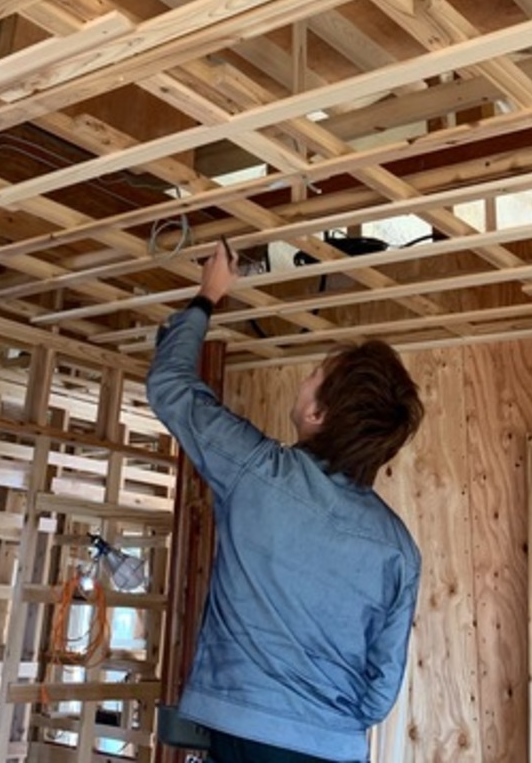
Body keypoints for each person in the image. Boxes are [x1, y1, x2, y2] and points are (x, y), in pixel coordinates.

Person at [146, 240, 424, 763]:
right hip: (334, 748)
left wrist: (208, 295)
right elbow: (379, 692)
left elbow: (170, 385)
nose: (306, 379)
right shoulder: (399, 551)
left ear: (318, 415)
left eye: (314, 376)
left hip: (247, 739)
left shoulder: (259, 471)